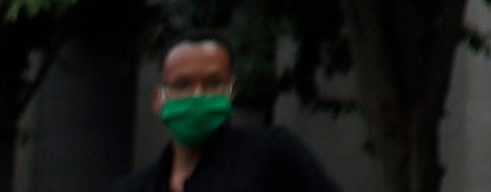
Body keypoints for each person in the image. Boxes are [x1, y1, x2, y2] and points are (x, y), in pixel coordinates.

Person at [113, 36, 339, 192]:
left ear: (231, 91)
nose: (197, 95)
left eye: (212, 83)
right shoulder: (133, 188)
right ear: (157, 98)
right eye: (182, 85)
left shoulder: (272, 157)